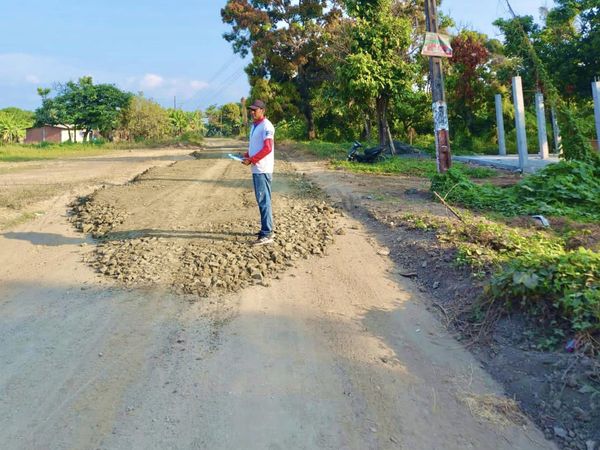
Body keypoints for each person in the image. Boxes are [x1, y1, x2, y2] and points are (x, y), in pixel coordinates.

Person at [242, 99, 275, 245]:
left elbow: (268, 148)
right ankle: (265, 230)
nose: (252, 112)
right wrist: (247, 155)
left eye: (255, 110)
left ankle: (267, 233)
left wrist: (252, 159)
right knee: (262, 199)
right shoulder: (255, 126)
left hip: (262, 169)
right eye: (251, 110)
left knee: (263, 200)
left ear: (262, 110)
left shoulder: (267, 126)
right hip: (257, 168)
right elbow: (256, 146)